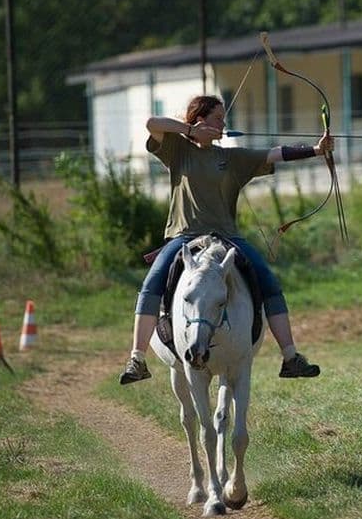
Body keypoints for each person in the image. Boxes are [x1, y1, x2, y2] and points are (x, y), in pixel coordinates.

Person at [120, 95, 328, 384]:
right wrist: (189, 131)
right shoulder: (177, 150)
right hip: (184, 237)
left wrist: (316, 150)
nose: (223, 124)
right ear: (200, 119)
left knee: (268, 282)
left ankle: (291, 357)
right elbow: (151, 123)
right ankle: (137, 359)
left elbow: (273, 154)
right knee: (151, 285)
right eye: (218, 118)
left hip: (227, 237)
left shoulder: (230, 158)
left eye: (224, 120)